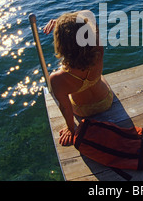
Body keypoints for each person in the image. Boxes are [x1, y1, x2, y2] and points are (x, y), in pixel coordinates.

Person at [43, 10, 114, 146]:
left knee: (65, 91)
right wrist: (63, 21)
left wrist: (71, 129)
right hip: (106, 101)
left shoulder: (57, 78)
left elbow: (65, 108)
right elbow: (88, 14)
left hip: (82, 111)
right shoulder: (98, 47)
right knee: (98, 77)